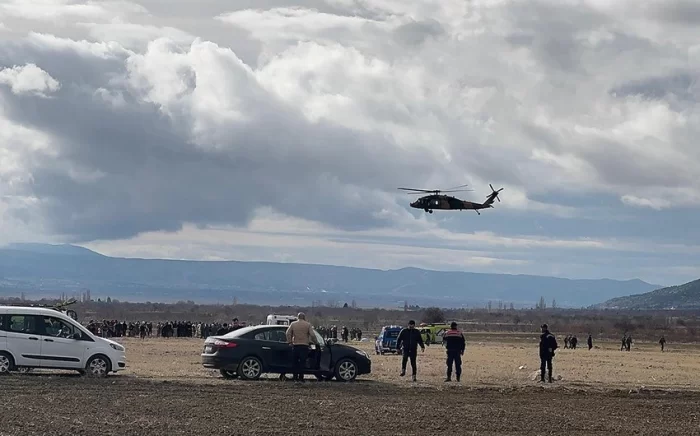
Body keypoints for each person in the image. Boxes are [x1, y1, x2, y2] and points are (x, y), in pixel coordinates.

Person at [285, 312, 318, 382]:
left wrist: (290, 342)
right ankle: (301, 377)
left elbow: (288, 333)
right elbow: (312, 335)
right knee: (302, 362)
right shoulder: (308, 325)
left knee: (295, 362)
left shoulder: (293, 324)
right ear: (304, 317)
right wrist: (316, 342)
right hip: (304, 346)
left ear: (298, 317)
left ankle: (295, 377)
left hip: (295, 345)